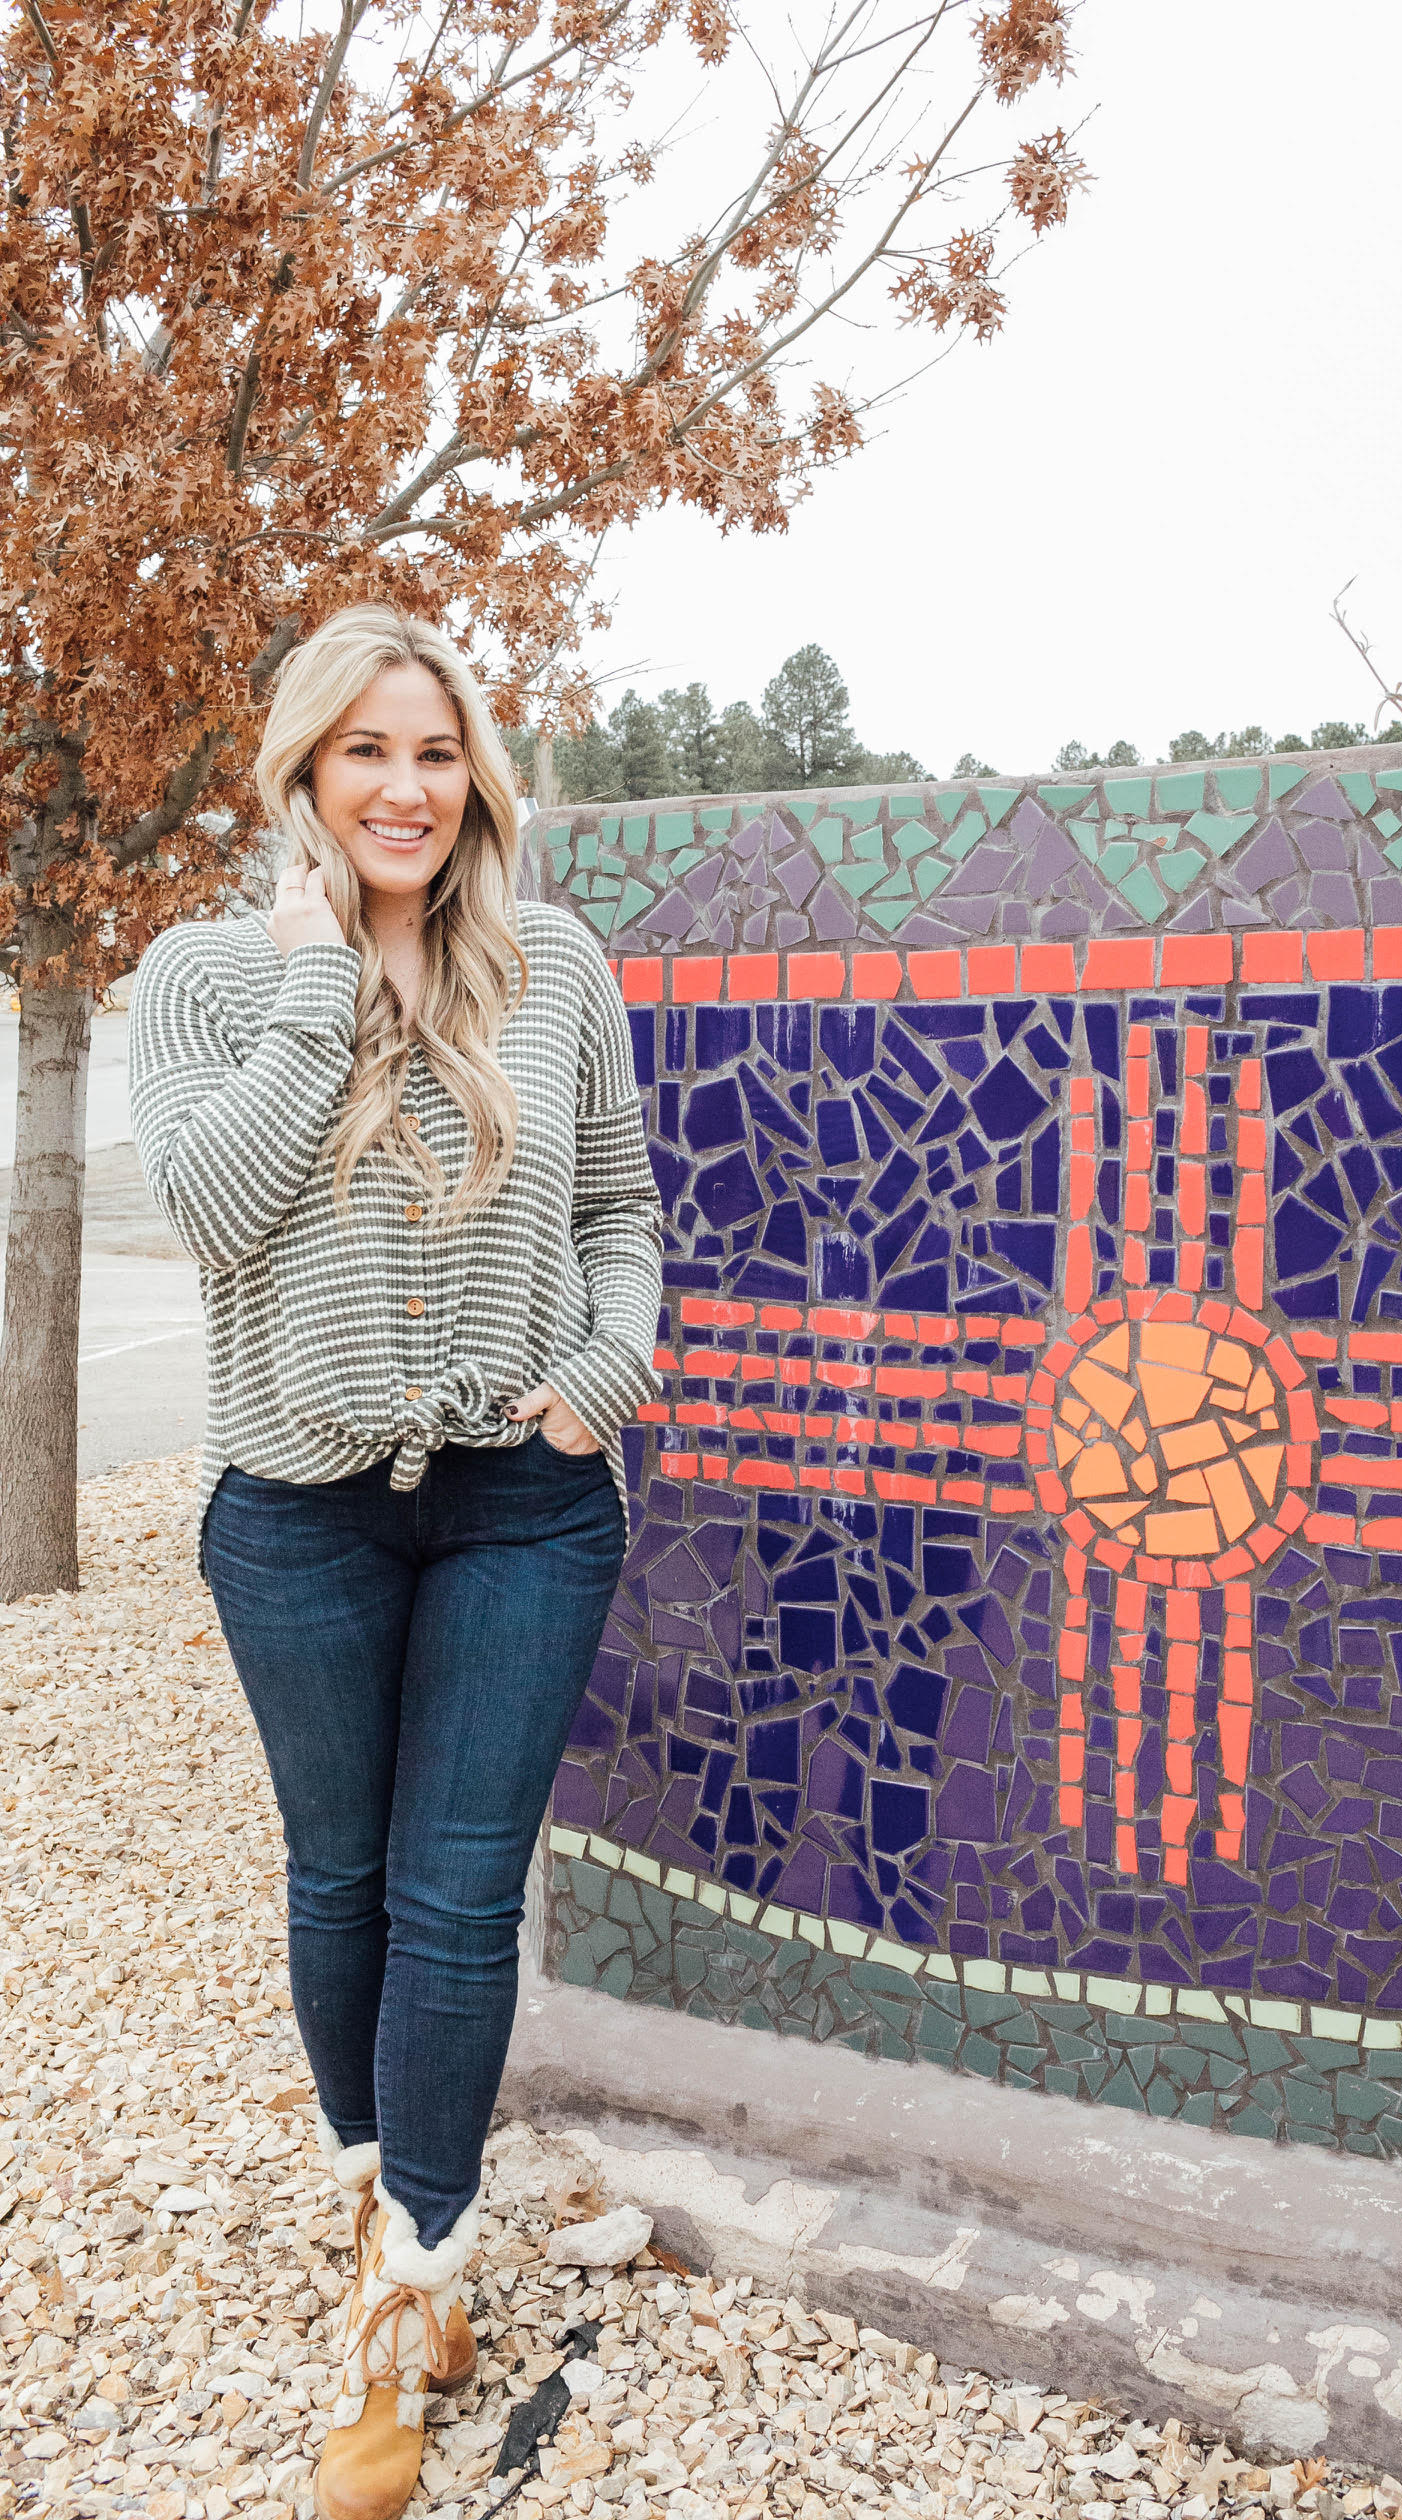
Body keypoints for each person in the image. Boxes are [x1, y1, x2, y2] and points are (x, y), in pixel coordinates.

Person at [127, 604, 664, 2520]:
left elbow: (618, 1206)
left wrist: (602, 1380)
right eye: (365, 751)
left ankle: (412, 2296)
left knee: (453, 1898)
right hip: (299, 1512)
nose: (406, 789)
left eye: (436, 753)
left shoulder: (558, 964)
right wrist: (309, 988)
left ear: (475, 776)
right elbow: (209, 1205)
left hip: (526, 1502)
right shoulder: (204, 979)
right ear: (301, 772)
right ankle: (377, 2179)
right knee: (338, 1876)